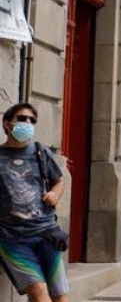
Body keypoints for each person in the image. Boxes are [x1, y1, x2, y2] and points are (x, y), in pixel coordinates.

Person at [0, 103, 70, 302]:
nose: (28, 123)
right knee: (39, 292)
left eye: (32, 120)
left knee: (60, 296)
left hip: (47, 233)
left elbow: (59, 180)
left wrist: (55, 194)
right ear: (7, 124)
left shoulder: (41, 152)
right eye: (22, 118)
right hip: (12, 238)